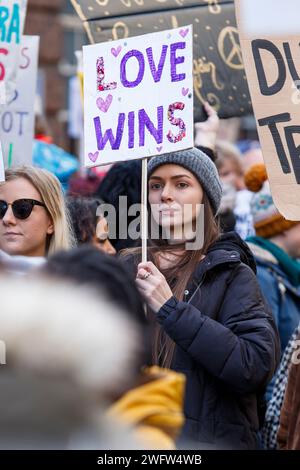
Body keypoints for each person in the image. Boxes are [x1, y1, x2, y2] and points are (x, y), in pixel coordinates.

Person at [122, 147, 280, 449]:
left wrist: (171, 310)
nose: (165, 195)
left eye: (181, 184)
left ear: (204, 198)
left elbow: (254, 365)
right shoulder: (126, 267)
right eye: (156, 185)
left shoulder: (229, 273)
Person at [245, 164, 300, 398]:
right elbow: (266, 362)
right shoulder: (262, 277)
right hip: (275, 417)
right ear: (285, 226)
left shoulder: (286, 272)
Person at [0, 166, 74, 257]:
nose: (7, 219)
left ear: (51, 221)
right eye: (1, 208)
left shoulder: (73, 271)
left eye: (22, 208)